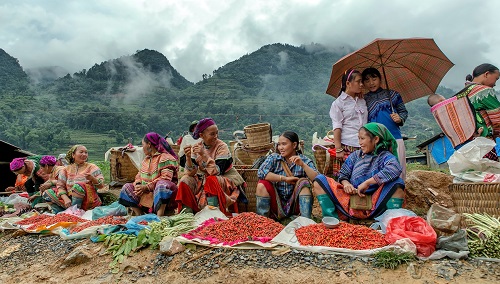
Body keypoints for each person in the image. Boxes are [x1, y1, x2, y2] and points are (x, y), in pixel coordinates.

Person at [313, 123, 405, 220]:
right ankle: (332, 220)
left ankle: (390, 220)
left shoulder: (385, 156)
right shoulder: (356, 155)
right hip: (349, 199)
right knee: (319, 180)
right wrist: (346, 184)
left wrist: (367, 183)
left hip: (376, 201)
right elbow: (343, 174)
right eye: (359, 138)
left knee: (397, 184)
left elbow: (395, 168)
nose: (360, 142)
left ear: (376, 139)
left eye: (362, 138)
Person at [175, 118, 244, 216]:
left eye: (217, 133)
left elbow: (216, 172)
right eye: (212, 134)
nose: (215, 136)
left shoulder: (222, 146)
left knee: (212, 180)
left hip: (224, 178)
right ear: (201, 136)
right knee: (184, 180)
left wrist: (204, 155)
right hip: (204, 179)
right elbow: (191, 173)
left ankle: (213, 214)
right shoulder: (197, 147)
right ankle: (187, 215)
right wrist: (188, 158)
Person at [255, 131, 318, 220]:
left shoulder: (305, 160)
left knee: (304, 183)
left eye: (284, 144)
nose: (280, 148)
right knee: (262, 184)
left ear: (294, 145)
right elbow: (261, 172)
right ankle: (262, 221)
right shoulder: (274, 158)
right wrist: (284, 178)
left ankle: (305, 221)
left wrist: (303, 165)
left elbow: (317, 179)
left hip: (295, 204)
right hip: (277, 203)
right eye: (279, 144)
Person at [362, 67, 409, 180]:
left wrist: (400, 118)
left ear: (380, 79)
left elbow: (403, 111)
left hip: (394, 137)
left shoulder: (393, 95)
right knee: (377, 172)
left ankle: (399, 196)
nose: (371, 83)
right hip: (374, 142)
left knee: (398, 169)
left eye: (374, 78)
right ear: (363, 83)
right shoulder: (363, 100)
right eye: (367, 80)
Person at [118, 132, 179, 216]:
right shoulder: (146, 160)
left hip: (163, 196)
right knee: (126, 188)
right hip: (146, 195)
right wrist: (138, 185)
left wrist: (146, 187)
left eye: (143, 145)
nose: (142, 148)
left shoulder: (165, 158)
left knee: (162, 185)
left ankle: (160, 216)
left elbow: (166, 178)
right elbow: (139, 175)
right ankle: (139, 214)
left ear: (149, 144)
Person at [329, 68, 367, 180]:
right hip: (348, 146)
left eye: (362, 82)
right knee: (346, 178)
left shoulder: (362, 101)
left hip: (363, 145)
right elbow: (337, 127)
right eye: (358, 81)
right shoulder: (338, 103)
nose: (361, 84)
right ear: (348, 83)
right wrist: (339, 149)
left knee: (361, 177)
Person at [56, 145, 105, 210]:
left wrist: (92, 178)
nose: (84, 154)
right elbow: (60, 186)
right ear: (73, 155)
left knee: (78, 186)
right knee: (48, 193)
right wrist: (66, 198)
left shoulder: (92, 167)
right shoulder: (65, 169)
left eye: (86, 152)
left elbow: (101, 186)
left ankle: (75, 211)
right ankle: (64, 210)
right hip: (69, 198)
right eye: (81, 152)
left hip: (88, 199)